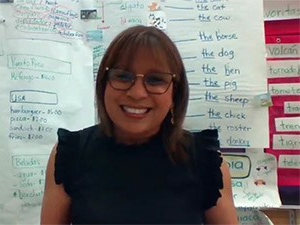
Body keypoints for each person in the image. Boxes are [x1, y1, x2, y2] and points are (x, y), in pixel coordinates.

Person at [41, 25, 238, 224]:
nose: (137, 93)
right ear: (103, 83)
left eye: (155, 80)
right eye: (123, 76)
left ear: (175, 93)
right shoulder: (71, 153)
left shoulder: (204, 160)